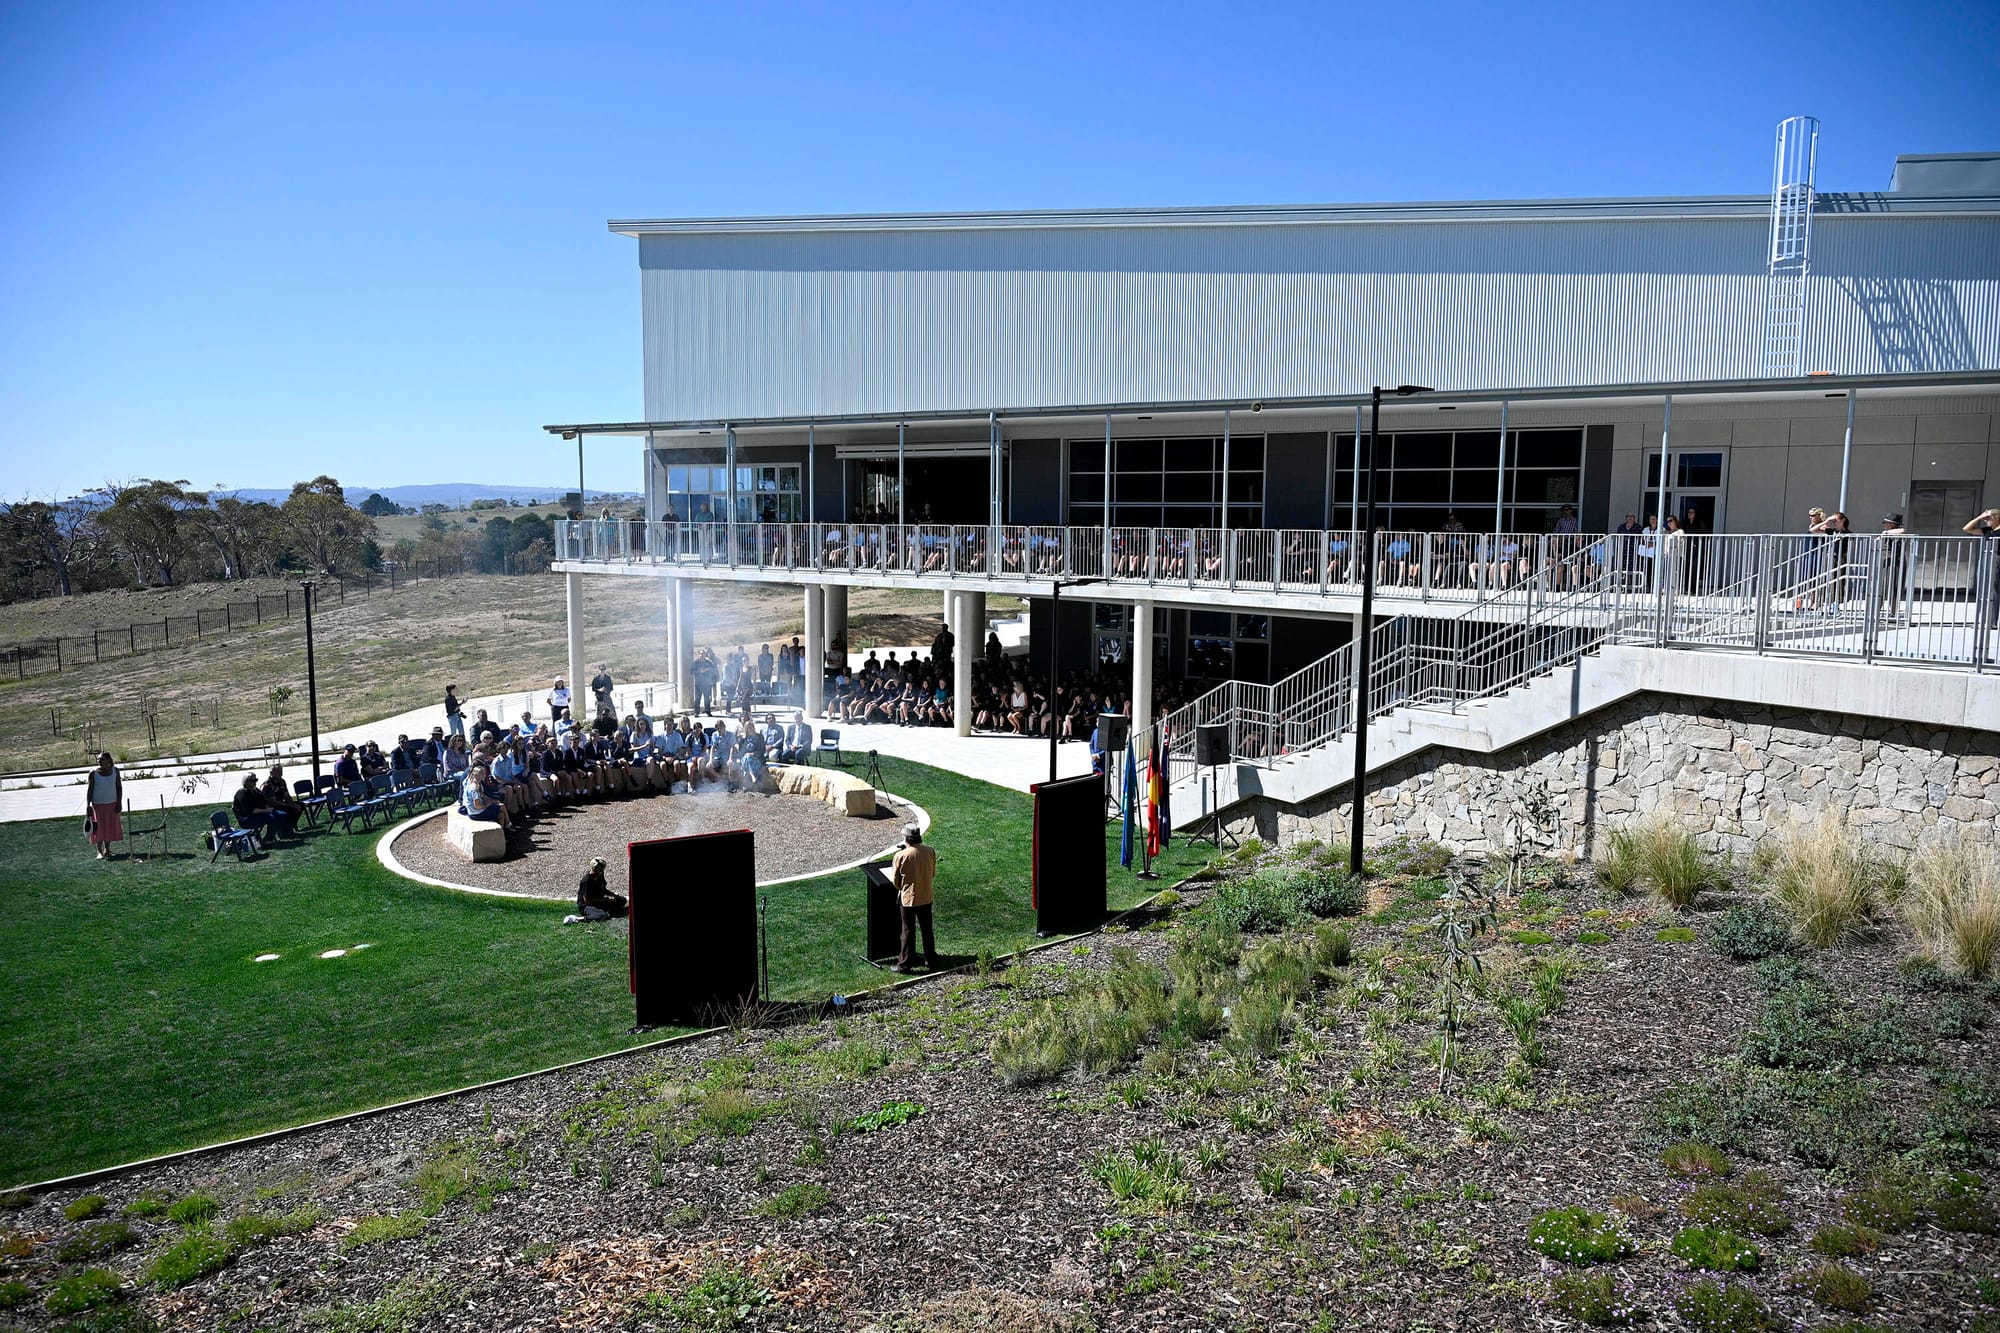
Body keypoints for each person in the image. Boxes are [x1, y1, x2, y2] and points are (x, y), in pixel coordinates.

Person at [890, 823, 940, 973]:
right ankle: (931, 959)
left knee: (907, 931)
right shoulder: (930, 851)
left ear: (907, 839)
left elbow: (896, 881)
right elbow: (932, 873)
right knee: (927, 930)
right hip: (926, 896)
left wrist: (903, 889)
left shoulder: (901, 856)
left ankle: (904, 964)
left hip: (909, 899)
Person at [233, 772, 293, 841]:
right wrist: (266, 810)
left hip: (258, 814)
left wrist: (268, 808)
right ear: (246, 782)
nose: (255, 782)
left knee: (282, 814)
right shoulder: (242, 794)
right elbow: (251, 810)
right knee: (272, 818)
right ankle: (268, 840)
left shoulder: (256, 790)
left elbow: (263, 802)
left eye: (256, 780)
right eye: (252, 781)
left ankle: (281, 833)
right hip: (247, 818)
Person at [84, 752, 122, 859]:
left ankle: (108, 850)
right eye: (98, 759)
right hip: (98, 805)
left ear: (109, 760)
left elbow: (119, 788)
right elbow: (90, 790)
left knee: (109, 827)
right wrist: (88, 805)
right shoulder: (93, 773)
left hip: (112, 803)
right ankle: (99, 851)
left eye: (102, 759)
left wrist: (119, 802)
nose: (99, 761)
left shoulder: (115, 771)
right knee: (99, 828)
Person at [577, 857, 627, 921]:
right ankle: (577, 919)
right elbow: (587, 901)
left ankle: (608, 912)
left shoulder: (600, 874)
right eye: (599, 869)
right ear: (593, 868)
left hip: (599, 900)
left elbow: (603, 889)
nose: (600, 871)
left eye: (601, 869)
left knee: (622, 900)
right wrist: (604, 899)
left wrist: (613, 896)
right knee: (601, 915)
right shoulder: (586, 881)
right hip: (586, 906)